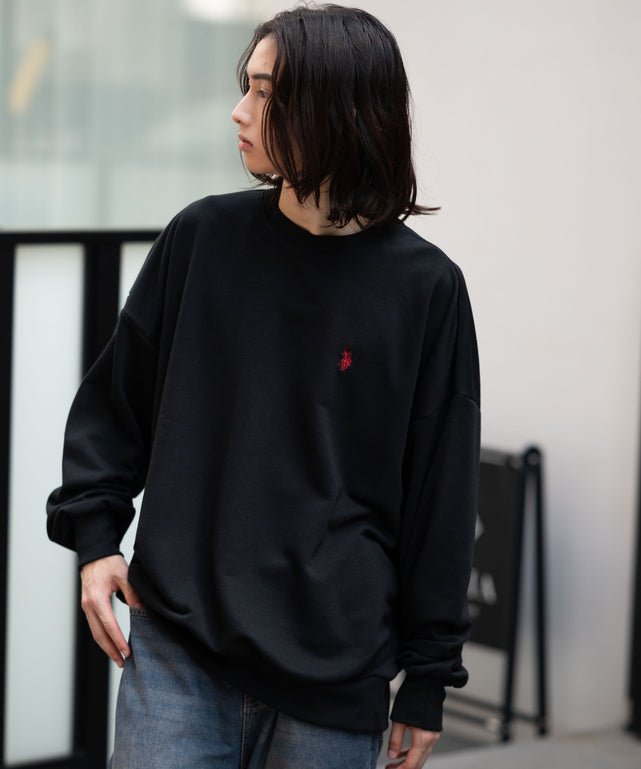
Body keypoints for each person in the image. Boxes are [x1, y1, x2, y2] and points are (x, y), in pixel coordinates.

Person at [47, 4, 480, 768]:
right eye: (245, 86)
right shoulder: (202, 239)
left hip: (334, 674)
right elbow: (115, 406)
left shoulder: (426, 290)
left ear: (338, 109)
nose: (238, 111)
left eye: (265, 92)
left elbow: (439, 498)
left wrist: (427, 678)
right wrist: (95, 539)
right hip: (178, 649)